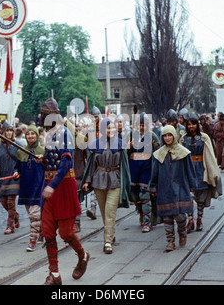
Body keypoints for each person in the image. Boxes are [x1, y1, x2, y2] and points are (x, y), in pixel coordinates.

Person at [40, 97, 89, 285]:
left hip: (63, 186)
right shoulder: (49, 134)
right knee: (47, 230)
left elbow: (66, 161)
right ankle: (55, 274)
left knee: (67, 233)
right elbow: (53, 160)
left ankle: (83, 256)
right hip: (50, 187)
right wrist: (42, 159)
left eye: (47, 115)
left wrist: (53, 185)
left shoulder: (64, 133)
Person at [81, 118, 131, 253]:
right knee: (104, 212)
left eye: (113, 128)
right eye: (108, 128)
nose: (111, 130)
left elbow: (125, 167)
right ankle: (111, 233)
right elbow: (91, 166)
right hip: (99, 180)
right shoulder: (95, 145)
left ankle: (107, 242)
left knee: (110, 211)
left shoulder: (120, 145)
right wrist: (87, 181)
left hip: (115, 180)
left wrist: (126, 183)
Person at [149, 125, 196, 252]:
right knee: (167, 217)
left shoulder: (183, 152)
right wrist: (153, 186)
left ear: (174, 136)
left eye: (170, 135)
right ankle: (170, 241)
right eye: (165, 136)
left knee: (180, 215)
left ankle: (182, 232)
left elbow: (189, 170)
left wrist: (192, 185)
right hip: (164, 188)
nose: (167, 138)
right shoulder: (159, 154)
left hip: (180, 187)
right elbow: (155, 172)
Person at [180, 114, 222, 232]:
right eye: (189, 124)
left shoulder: (204, 138)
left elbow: (210, 154)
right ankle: (190, 220)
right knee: (188, 195)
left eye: (193, 124)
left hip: (201, 169)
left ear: (197, 125)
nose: (191, 126)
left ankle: (199, 219)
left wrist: (212, 170)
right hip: (188, 169)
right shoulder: (183, 139)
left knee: (201, 197)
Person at [128, 113, 160, 232]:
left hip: (147, 169)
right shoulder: (131, 135)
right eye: (139, 125)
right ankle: (141, 212)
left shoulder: (153, 137)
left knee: (145, 194)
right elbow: (125, 151)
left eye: (143, 125)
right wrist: (128, 146)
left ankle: (147, 221)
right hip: (133, 168)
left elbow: (158, 154)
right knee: (135, 195)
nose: (141, 128)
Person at [14, 125, 44, 250]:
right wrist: (16, 172)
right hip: (26, 186)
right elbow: (17, 166)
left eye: (33, 134)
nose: (30, 136)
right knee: (32, 215)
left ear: (37, 136)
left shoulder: (43, 151)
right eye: (28, 134)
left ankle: (32, 240)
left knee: (34, 215)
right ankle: (41, 231)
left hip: (39, 185)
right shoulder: (21, 152)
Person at [0, 123, 21, 235]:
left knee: (10, 201)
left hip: (13, 177)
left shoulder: (17, 145)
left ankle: (10, 226)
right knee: (3, 201)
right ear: (3, 132)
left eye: (11, 131)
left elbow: (20, 162)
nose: (9, 133)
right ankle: (16, 216)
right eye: (7, 131)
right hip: (3, 177)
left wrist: (17, 171)